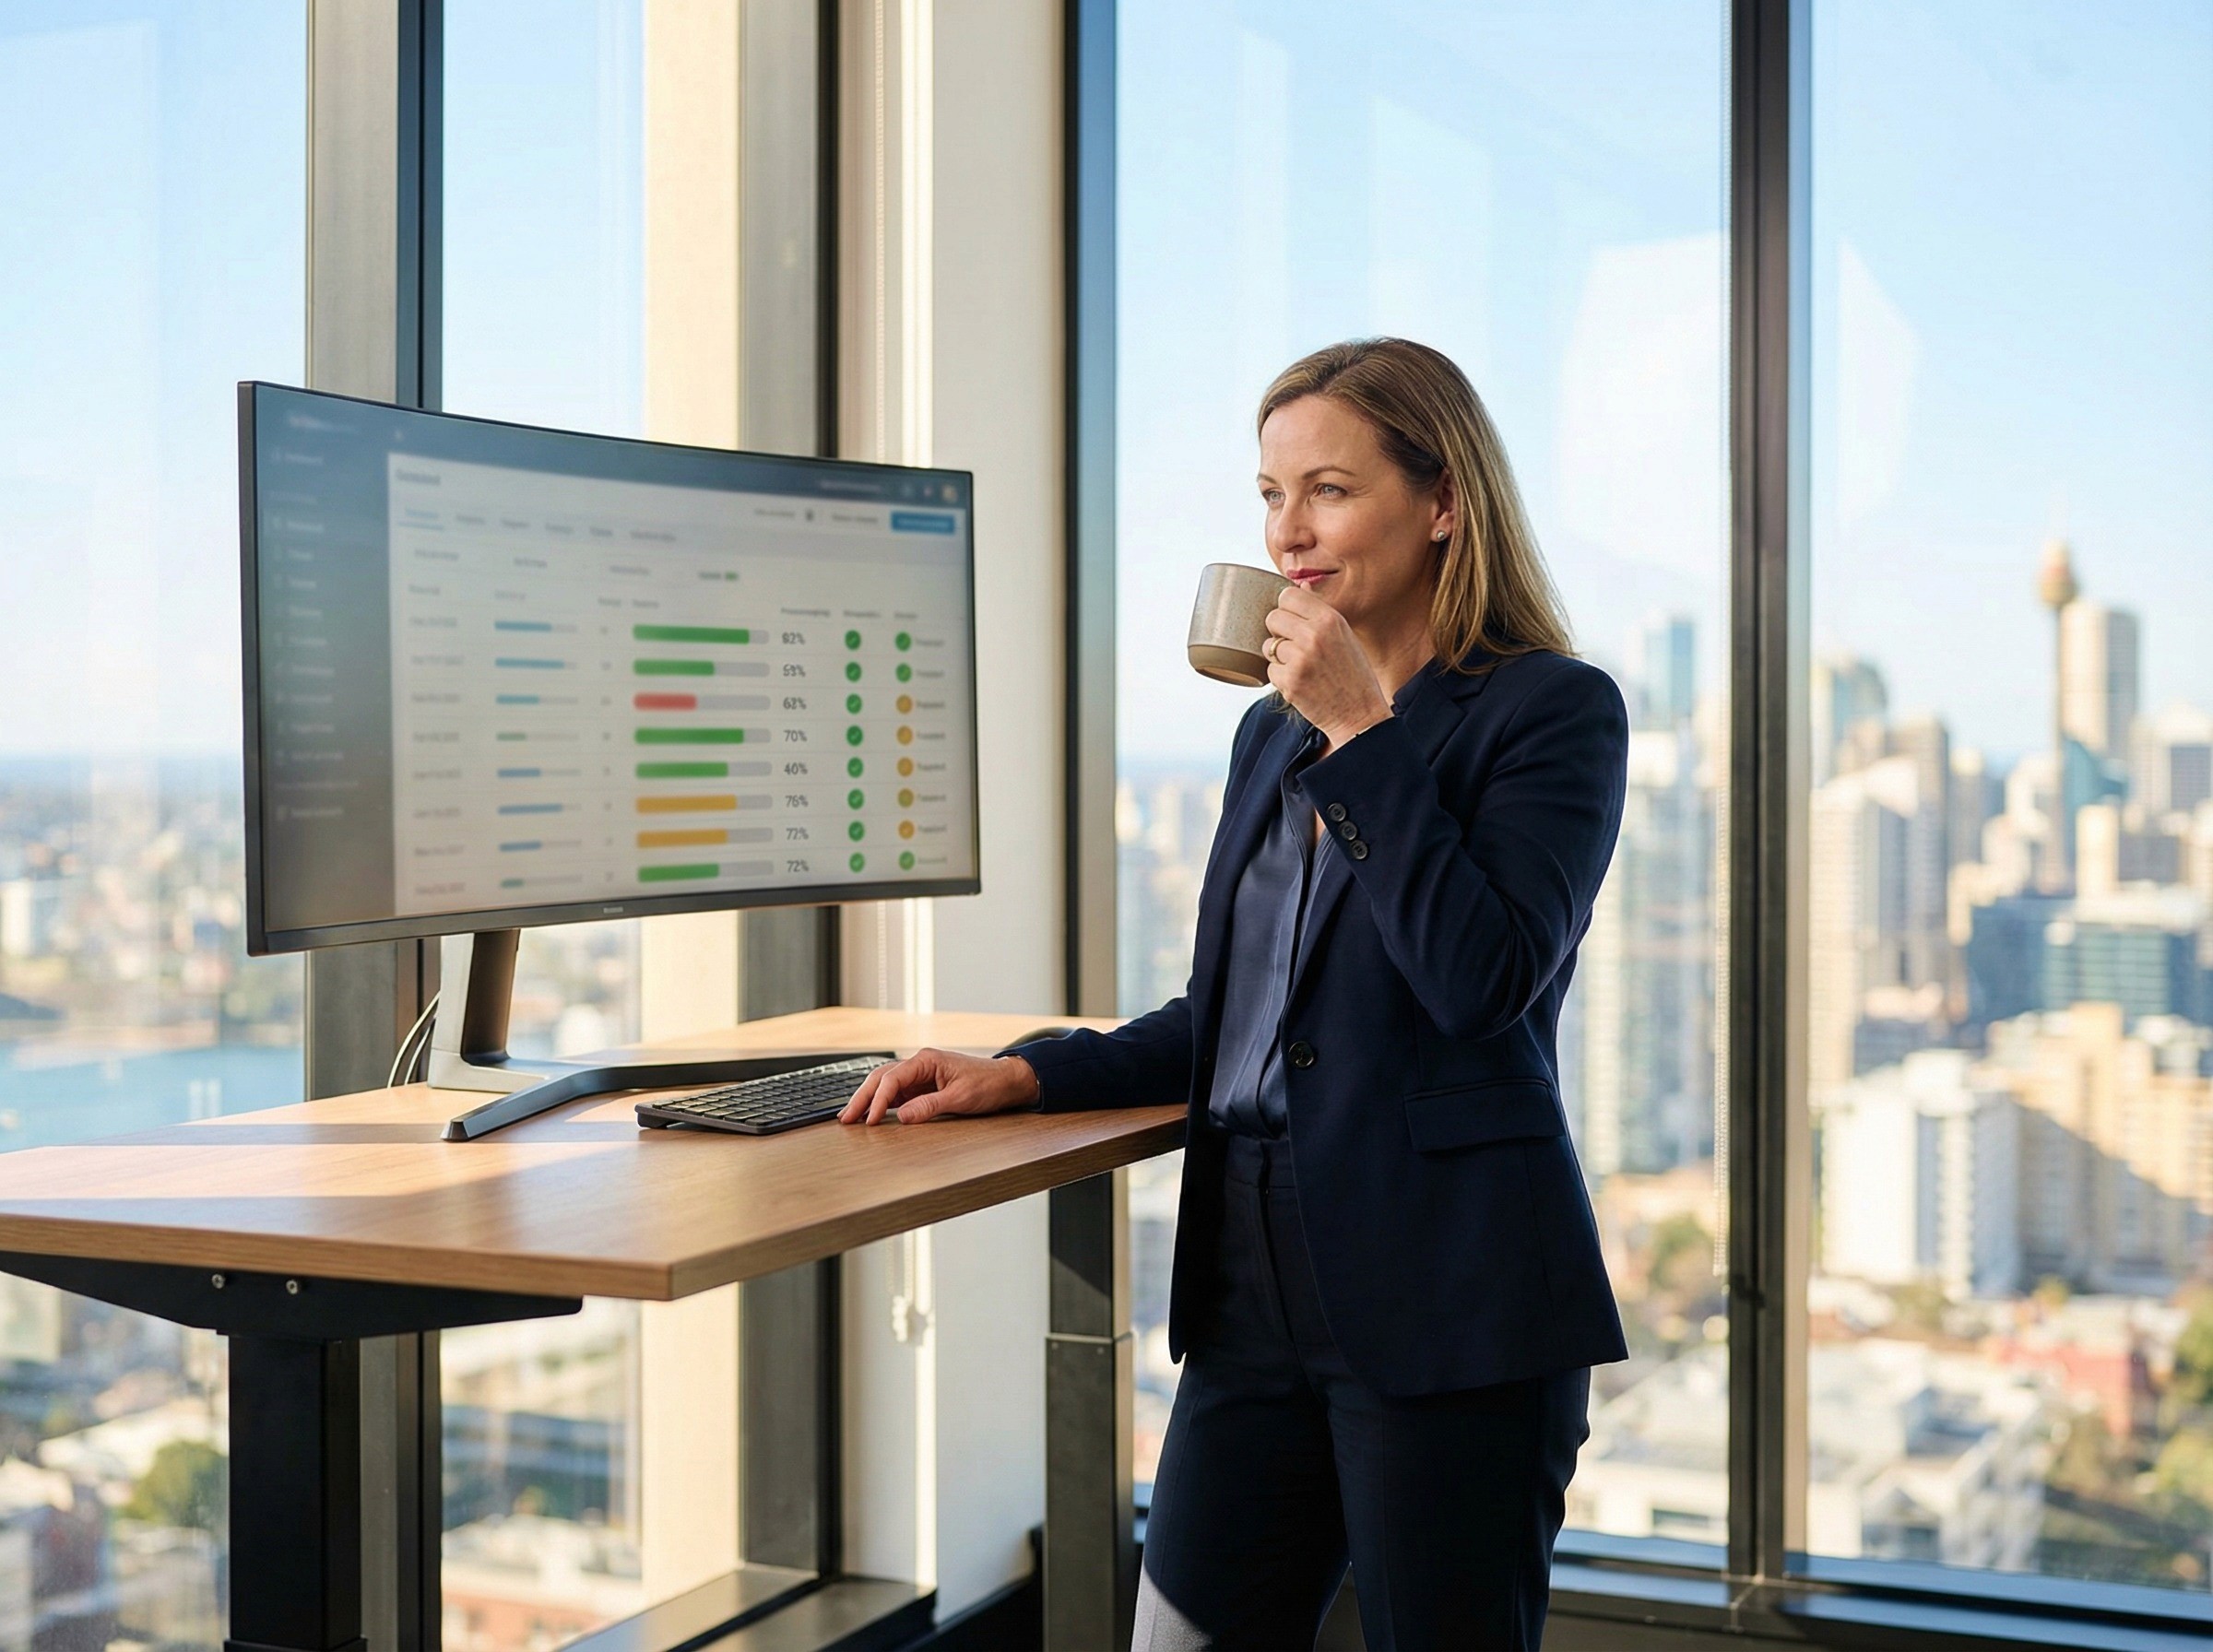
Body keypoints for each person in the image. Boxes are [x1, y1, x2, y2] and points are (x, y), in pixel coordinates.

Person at [839, 336, 1629, 1651]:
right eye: (1271, 497)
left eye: (1327, 490)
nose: (1290, 534)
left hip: (1448, 1291)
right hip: (1251, 1284)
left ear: (1444, 505)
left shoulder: (1548, 714)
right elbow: (1237, 1012)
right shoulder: (1269, 732)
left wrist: (1364, 735)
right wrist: (1032, 1071)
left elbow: (1482, 979)